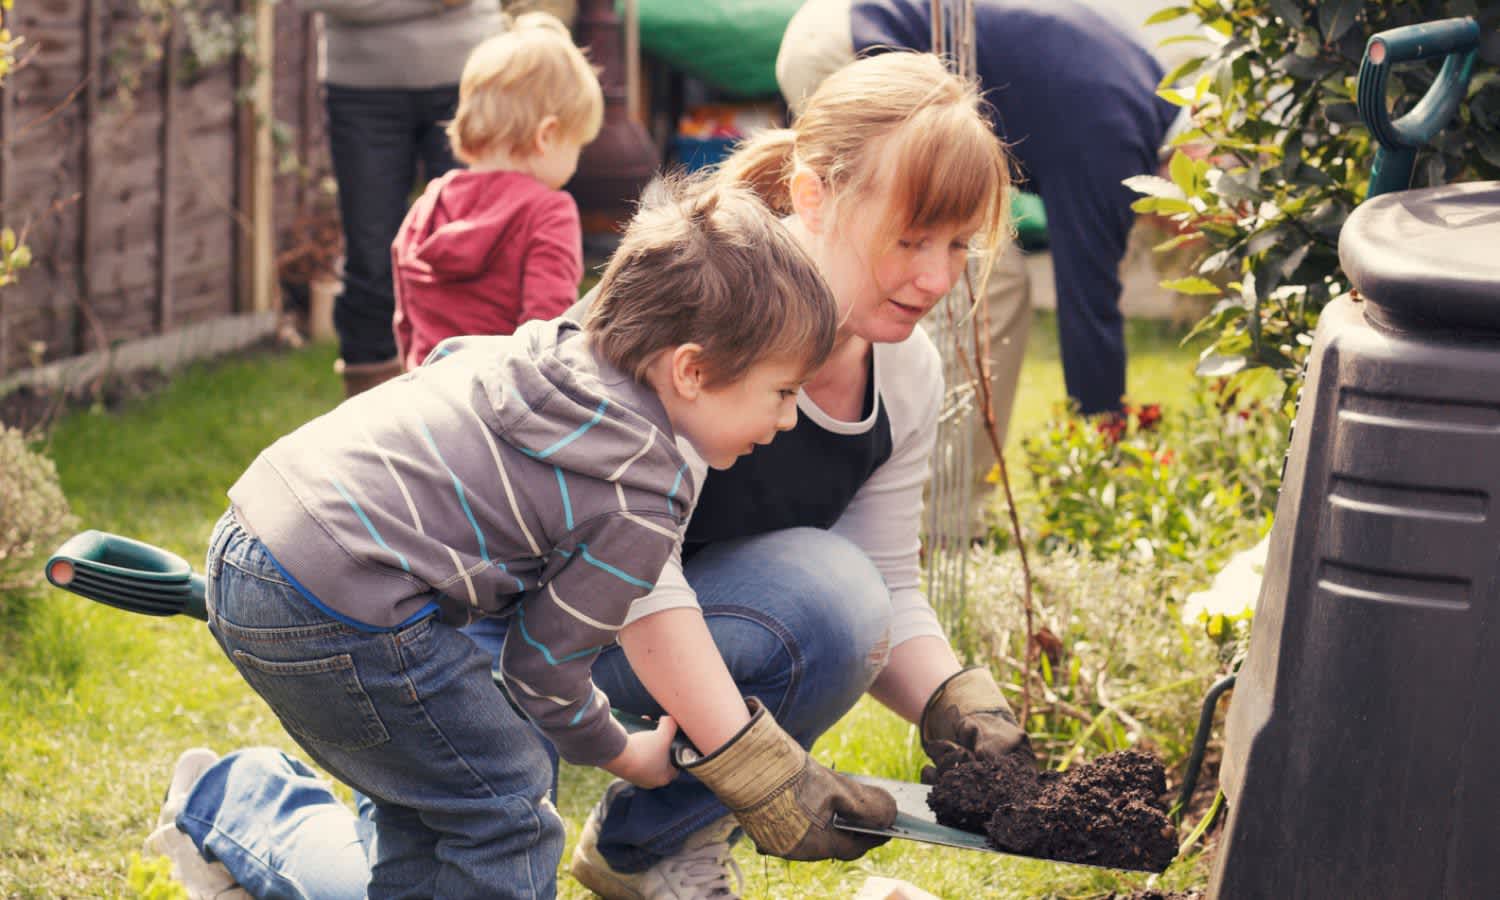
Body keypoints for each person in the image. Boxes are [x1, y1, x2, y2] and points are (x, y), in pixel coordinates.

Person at [154, 51, 1033, 900]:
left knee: (843, 596)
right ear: (814, 192)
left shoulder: (905, 372)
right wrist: (753, 768)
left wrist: (957, 708)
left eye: (959, 246)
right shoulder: (709, 308)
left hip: (550, 628)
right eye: (911, 237)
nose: (935, 277)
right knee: (483, 837)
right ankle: (248, 809)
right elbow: (638, 574)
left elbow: (882, 576)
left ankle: (643, 853)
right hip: (452, 623)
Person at [198, 180, 895, 899]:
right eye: (783, 392)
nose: (787, 420)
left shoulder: (555, 355)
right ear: (690, 370)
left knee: (435, 816)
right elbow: (542, 672)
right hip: (346, 600)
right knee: (508, 806)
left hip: (256, 537)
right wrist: (624, 753)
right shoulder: (638, 489)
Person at [778, 0, 1181, 451]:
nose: (1188, 227)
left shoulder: (1148, 88)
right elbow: (1088, 302)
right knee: (993, 287)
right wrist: (1107, 440)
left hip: (840, 25)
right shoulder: (1117, 141)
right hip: (857, 43)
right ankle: (945, 499)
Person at [306, 0, 504, 397]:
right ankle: (369, 434)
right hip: (361, 89)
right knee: (371, 263)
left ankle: (480, 416)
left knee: (478, 256)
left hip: (469, 77)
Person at [392, 13, 600, 373]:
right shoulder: (549, 212)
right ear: (547, 136)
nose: (576, 161)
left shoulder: (428, 205)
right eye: (577, 144)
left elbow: (406, 322)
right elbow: (547, 340)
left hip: (425, 402)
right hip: (501, 408)